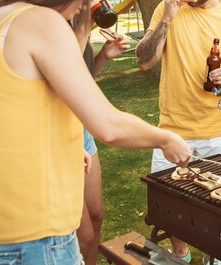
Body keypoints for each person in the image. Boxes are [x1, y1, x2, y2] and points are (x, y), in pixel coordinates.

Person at [0, 0, 191, 265]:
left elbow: (0, 116)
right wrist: (165, 138)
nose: (88, 3)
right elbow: (107, 125)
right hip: (33, 237)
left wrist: (59, 149)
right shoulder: (41, 21)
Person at [136, 0, 221, 264]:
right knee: (170, 208)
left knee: (220, 205)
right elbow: (145, 60)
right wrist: (167, 21)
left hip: (216, 131)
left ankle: (213, 257)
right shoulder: (167, 8)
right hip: (172, 131)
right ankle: (181, 254)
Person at [77, 15, 131, 265]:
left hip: (82, 132)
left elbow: (81, 80)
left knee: (97, 215)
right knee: (84, 235)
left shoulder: (82, 27)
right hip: (62, 136)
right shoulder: (58, 26)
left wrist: (103, 56)